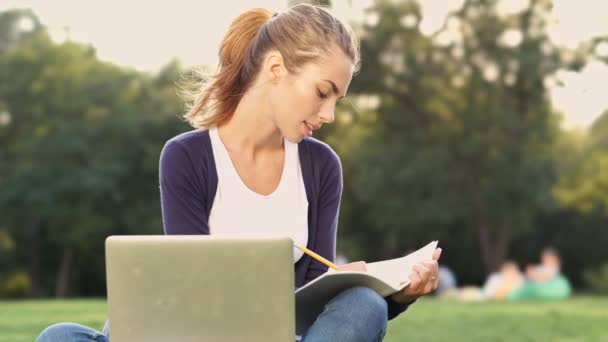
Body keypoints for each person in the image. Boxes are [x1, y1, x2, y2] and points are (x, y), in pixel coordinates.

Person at [36, 4, 442, 342]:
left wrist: (395, 296)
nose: (329, 114)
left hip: (282, 336)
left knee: (363, 304)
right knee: (60, 337)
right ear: (276, 68)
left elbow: (319, 308)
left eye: (337, 99)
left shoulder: (320, 166)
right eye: (322, 93)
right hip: (197, 333)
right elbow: (193, 289)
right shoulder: (187, 156)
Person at [507, 247, 571, 301]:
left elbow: (546, 277)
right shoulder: (543, 268)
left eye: (548, 257)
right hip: (529, 282)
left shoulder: (553, 269)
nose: (545, 259)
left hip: (539, 285)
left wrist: (534, 274)